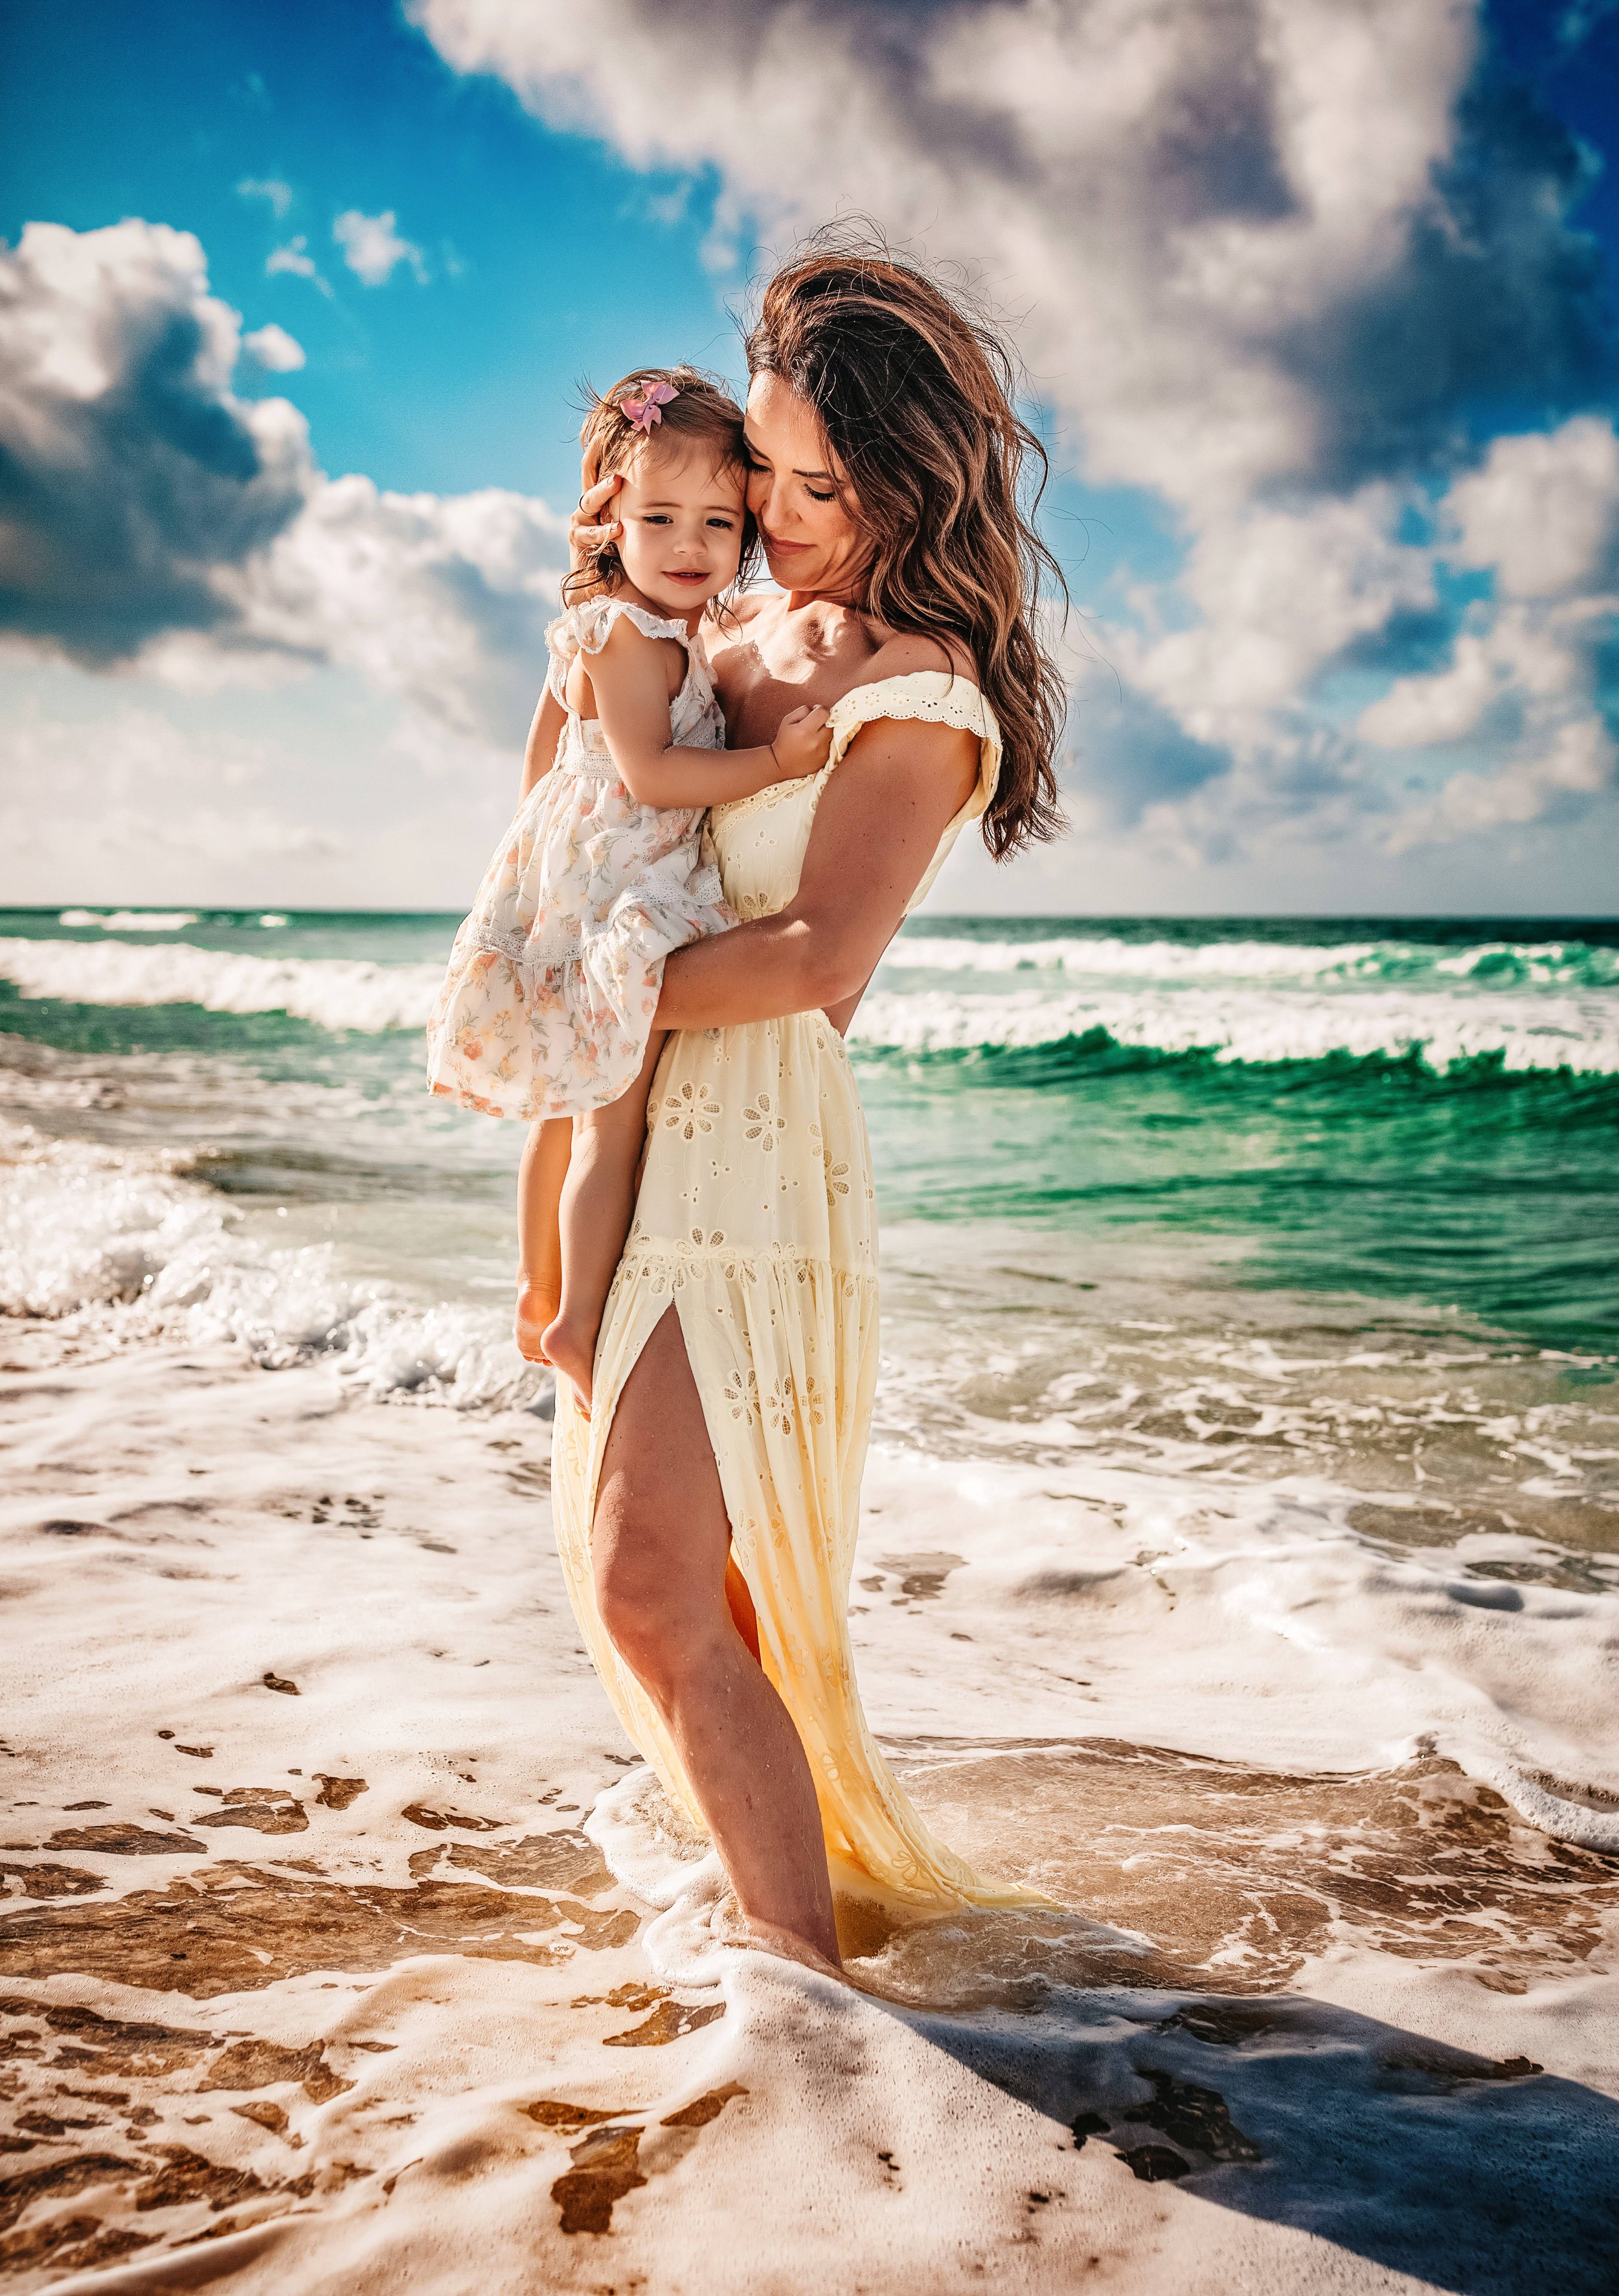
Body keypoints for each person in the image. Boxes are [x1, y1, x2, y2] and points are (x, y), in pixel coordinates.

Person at [548, 236, 1067, 1973]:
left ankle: (802, 1999)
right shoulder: (719, 629)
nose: (771, 515)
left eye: (818, 488)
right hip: (636, 1125)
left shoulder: (918, 692)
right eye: (762, 470)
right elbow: (582, 822)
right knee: (687, 1583)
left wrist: (594, 1000)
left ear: (908, 486)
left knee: (649, 1582)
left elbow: (818, 962)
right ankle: (787, 1941)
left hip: (751, 1157)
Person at [425, 368, 832, 1403]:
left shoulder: (626, 623)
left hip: (588, 879)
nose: (691, 545)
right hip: (620, 891)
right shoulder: (624, 635)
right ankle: (575, 1319)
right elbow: (651, 773)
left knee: (564, 1103)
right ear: (611, 517)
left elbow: (544, 755)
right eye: (659, 518)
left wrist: (541, 869)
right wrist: (774, 764)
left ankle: (537, 1294)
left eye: (717, 522)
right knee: (608, 1111)